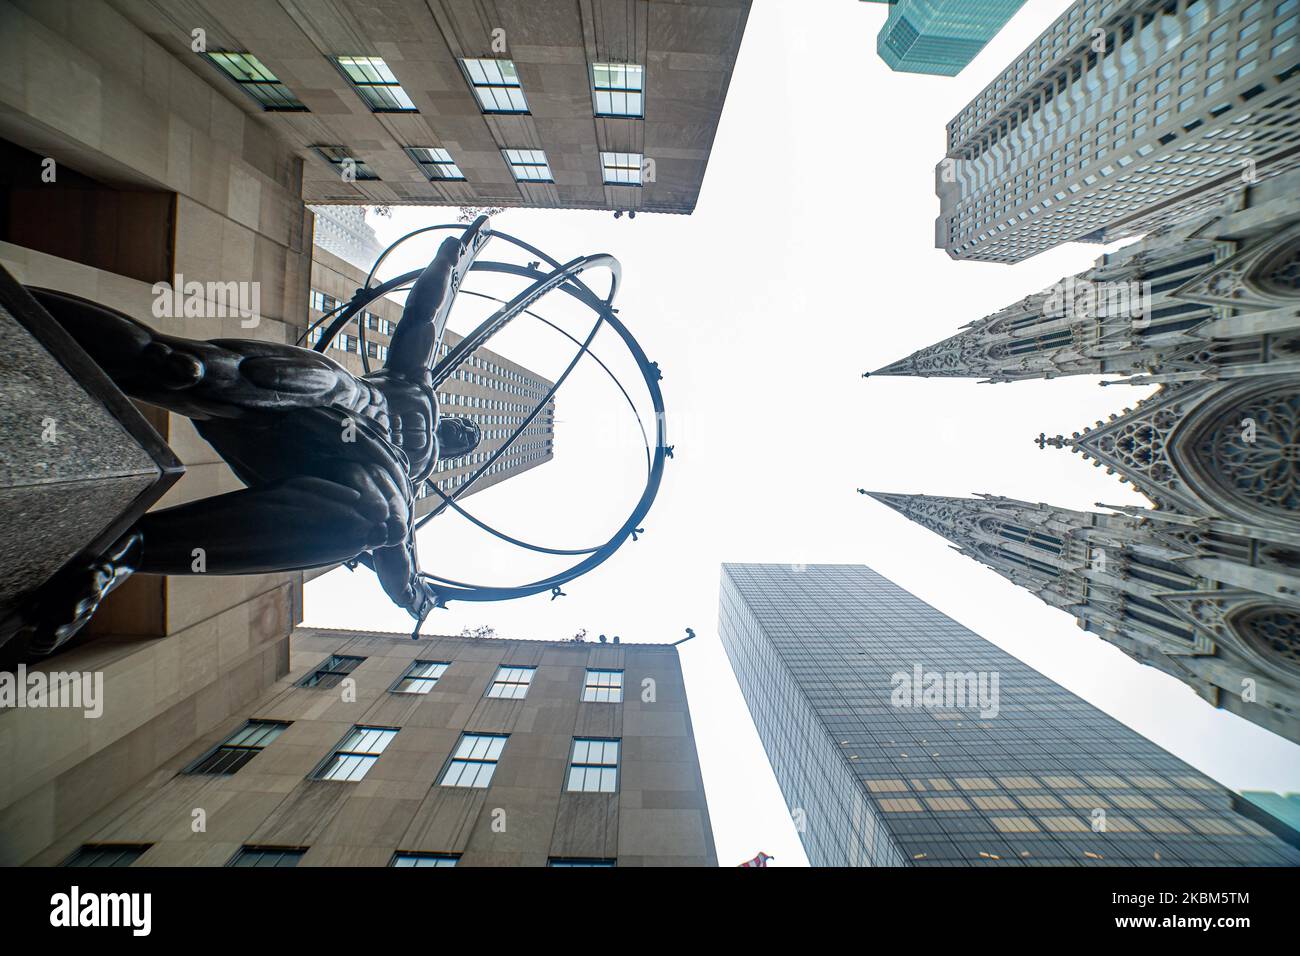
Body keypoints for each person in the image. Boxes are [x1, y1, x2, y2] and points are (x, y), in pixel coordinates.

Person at [10, 218, 492, 655]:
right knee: (183, 370)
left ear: (455, 454)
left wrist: (415, 596)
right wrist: (452, 259)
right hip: (328, 400)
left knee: (382, 520)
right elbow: (423, 318)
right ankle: (17, 317)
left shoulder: (411, 472)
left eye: (469, 439)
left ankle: (124, 554)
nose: (465, 431)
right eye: (467, 424)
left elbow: (398, 550)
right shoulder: (413, 383)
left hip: (332, 463)